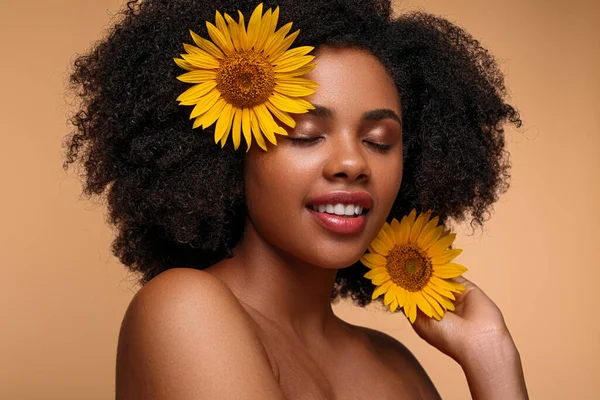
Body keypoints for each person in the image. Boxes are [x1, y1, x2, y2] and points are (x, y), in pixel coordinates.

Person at [64, 0, 528, 398]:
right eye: (306, 134)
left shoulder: (398, 366)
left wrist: (491, 357)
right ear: (227, 154)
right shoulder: (183, 310)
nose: (353, 163)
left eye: (380, 140)